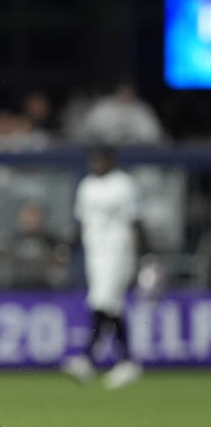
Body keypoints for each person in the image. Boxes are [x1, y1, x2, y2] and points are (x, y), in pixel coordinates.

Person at [62, 147, 149, 389]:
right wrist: (68, 247)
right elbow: (81, 222)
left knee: (102, 302)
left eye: (101, 160)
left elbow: (136, 220)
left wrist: (147, 254)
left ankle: (88, 358)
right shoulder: (87, 185)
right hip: (95, 253)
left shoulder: (123, 184)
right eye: (94, 160)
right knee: (111, 306)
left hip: (119, 251)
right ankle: (126, 362)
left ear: (111, 161)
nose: (96, 164)